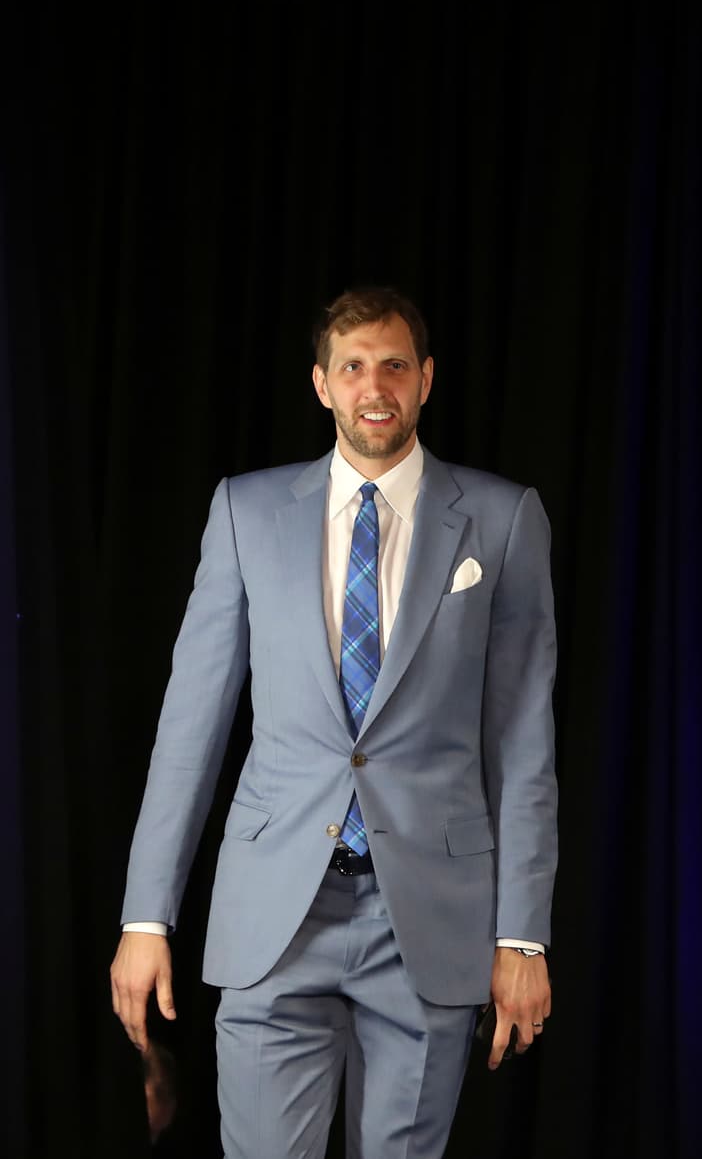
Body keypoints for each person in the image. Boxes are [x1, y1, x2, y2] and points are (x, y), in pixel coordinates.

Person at [110, 286, 558, 1158]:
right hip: (276, 913)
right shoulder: (246, 513)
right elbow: (189, 729)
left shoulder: (502, 522)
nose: (375, 385)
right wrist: (144, 918)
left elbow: (524, 741)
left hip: (427, 915)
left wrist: (523, 933)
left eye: (394, 364)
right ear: (323, 385)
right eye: (353, 367)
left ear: (426, 379)